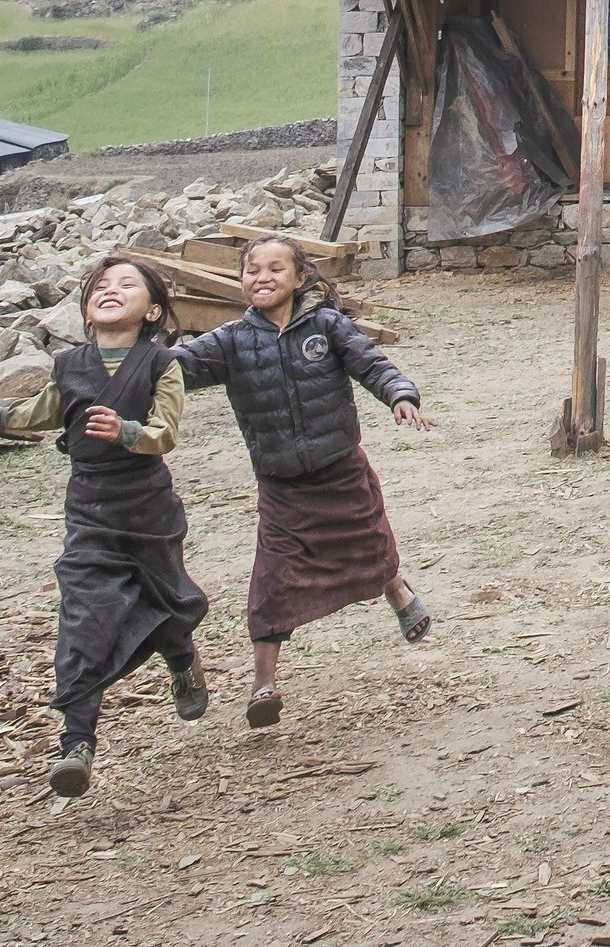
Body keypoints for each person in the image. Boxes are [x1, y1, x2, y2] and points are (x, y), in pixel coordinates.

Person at [0, 257, 210, 799]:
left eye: (127, 285)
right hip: (89, 509)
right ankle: (77, 742)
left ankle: (182, 660)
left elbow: (166, 433)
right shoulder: (70, 364)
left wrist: (128, 431)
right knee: (83, 618)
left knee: (166, 600)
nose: (111, 291)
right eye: (101, 285)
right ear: (86, 308)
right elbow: (44, 411)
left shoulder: (160, 363)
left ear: (153, 312)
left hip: (147, 508)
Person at [174, 235, 433, 730]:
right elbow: (175, 370)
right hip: (281, 483)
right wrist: (128, 362)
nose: (263, 278)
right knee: (273, 577)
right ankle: (264, 682)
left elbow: (371, 364)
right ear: (242, 279)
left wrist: (400, 394)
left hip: (340, 466)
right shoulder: (229, 342)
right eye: (253, 270)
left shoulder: (327, 326)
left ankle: (397, 591)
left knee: (370, 543)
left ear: (299, 278)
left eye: (276, 269)